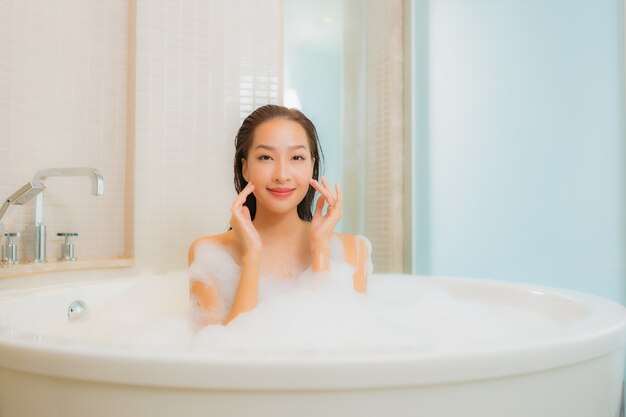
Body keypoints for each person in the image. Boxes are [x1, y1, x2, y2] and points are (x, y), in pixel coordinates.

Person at [188, 104, 371, 326]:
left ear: (312, 166)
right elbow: (223, 351)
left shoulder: (352, 252)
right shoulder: (209, 255)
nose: (282, 175)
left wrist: (320, 248)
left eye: (297, 158)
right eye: (266, 157)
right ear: (245, 168)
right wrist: (252, 256)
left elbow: (339, 342)